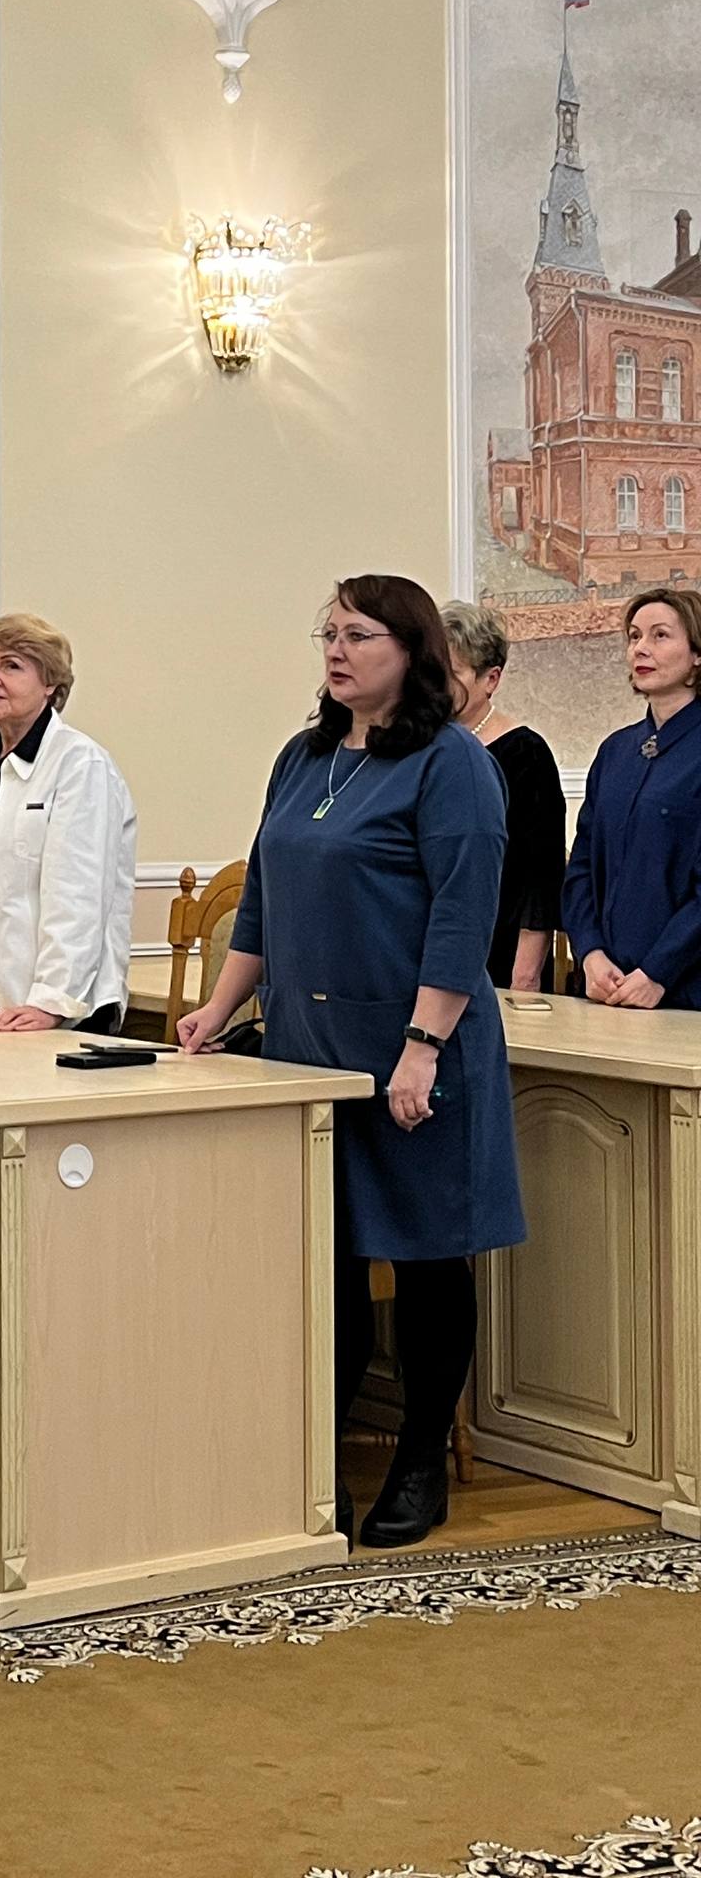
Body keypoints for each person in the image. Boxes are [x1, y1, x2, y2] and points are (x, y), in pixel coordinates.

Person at [178, 574, 524, 1549]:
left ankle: (420, 1461)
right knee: (321, 1262)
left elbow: (463, 914)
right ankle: (312, 1456)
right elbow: (262, 903)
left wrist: (423, 1045)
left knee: (425, 1257)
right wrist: (218, 1008)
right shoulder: (304, 756)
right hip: (307, 1056)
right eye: (327, 633)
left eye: (359, 634)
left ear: (411, 652)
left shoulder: (452, 763)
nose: (336, 649)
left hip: (416, 1053)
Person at [0, 613, 136, 1031]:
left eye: (11, 665)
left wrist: (51, 1001)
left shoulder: (79, 764)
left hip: (55, 1015)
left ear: (50, 683)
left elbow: (78, 896)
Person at [563, 586, 701, 1011]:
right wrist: (590, 953)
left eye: (660, 635)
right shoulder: (615, 751)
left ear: (697, 654)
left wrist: (658, 972)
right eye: (634, 636)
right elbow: (581, 867)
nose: (641, 648)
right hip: (607, 987)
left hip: (686, 995)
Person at [442, 601, 566, 993]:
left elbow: (540, 878)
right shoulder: (420, 749)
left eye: (453, 672)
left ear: (490, 679)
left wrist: (525, 976)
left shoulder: (527, 753)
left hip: (499, 951)